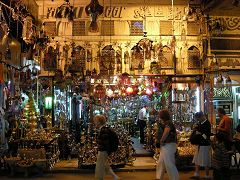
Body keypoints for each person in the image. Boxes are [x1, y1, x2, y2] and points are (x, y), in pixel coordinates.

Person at [93, 115, 120, 180]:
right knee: (105, 165)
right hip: (103, 150)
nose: (95, 123)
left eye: (96, 121)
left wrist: (106, 151)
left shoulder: (103, 130)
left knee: (99, 167)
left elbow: (105, 142)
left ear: (99, 122)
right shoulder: (103, 129)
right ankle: (115, 176)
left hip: (103, 151)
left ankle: (99, 178)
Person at [156, 109, 179, 180]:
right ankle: (159, 177)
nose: (158, 116)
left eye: (159, 114)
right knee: (161, 162)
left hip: (168, 144)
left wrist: (161, 140)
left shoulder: (168, 123)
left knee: (169, 163)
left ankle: (174, 178)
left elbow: (166, 132)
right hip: (166, 145)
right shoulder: (166, 123)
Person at [191, 112, 211, 179]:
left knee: (205, 159)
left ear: (201, 117)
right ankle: (196, 174)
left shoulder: (207, 124)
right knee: (197, 159)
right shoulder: (200, 123)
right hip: (199, 144)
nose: (198, 120)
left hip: (205, 144)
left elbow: (206, 136)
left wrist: (200, 133)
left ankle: (207, 175)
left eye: (198, 119)